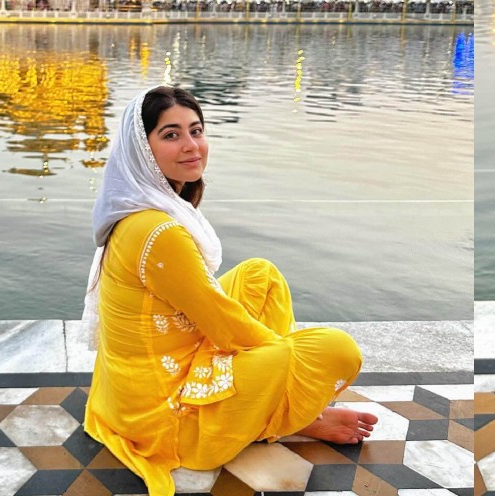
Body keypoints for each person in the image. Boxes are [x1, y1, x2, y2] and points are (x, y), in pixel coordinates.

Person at [81, 86, 377, 496]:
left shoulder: (141, 206)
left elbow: (213, 311)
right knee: (333, 350)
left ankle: (273, 408)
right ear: (142, 149)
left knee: (260, 274)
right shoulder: (158, 232)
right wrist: (286, 367)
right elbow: (226, 327)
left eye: (196, 130)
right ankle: (288, 416)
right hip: (164, 419)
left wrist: (273, 361)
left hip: (130, 392)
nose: (191, 146)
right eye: (171, 135)